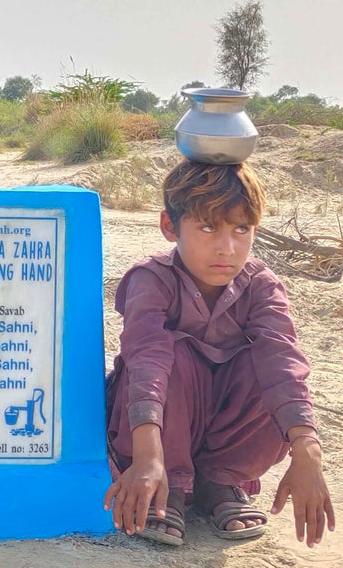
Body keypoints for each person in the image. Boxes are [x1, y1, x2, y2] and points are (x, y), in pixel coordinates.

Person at [103, 160, 334, 547]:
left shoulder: (260, 285)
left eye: (241, 229)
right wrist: (146, 455)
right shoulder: (152, 279)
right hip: (155, 430)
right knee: (171, 353)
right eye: (208, 227)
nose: (227, 248)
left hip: (223, 430)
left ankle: (218, 482)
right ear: (169, 226)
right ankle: (168, 483)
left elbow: (283, 362)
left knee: (267, 366)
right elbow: (146, 361)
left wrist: (307, 449)